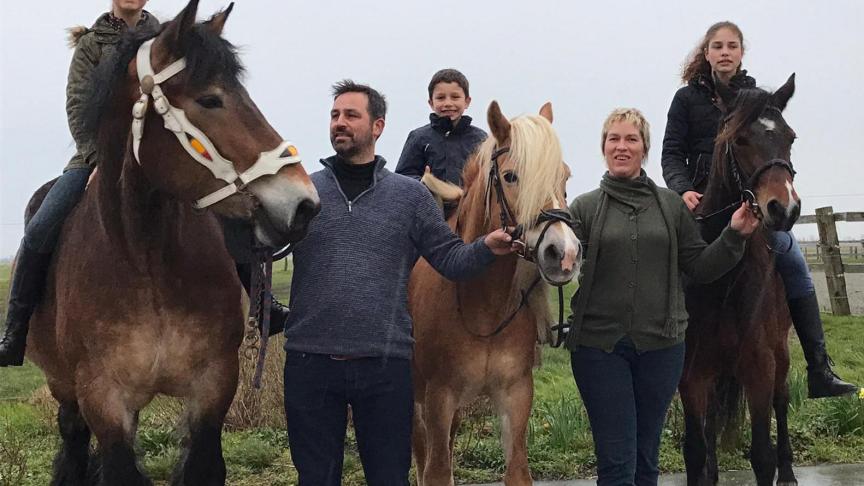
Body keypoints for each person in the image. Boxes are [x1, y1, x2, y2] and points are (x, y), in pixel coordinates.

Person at [281, 80, 516, 486]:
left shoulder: (409, 197)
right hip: (310, 361)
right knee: (316, 478)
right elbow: (264, 251)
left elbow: (450, 259)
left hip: (385, 364)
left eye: (351, 115)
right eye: (335, 115)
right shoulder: (304, 191)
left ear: (378, 126)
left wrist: (485, 247)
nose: (340, 123)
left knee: (390, 477)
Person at [660, 21, 857, 398]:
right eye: (717, 46)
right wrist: (683, 189)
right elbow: (672, 153)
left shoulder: (756, 98)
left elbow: (770, 147)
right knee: (669, 263)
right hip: (701, 204)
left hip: (751, 204)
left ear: (741, 53)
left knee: (794, 262)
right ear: (706, 54)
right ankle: (666, 359)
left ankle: (819, 366)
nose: (725, 52)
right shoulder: (686, 100)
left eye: (732, 46)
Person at [566, 108, 759, 486]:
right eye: (613, 139)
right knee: (617, 461)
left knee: (646, 458)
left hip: (662, 349)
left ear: (645, 149)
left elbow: (700, 266)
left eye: (631, 139)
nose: (621, 147)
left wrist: (733, 235)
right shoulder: (583, 208)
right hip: (598, 348)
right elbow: (558, 264)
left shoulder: (671, 205)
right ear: (603, 148)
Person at [0, 0, 160, 367]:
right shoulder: (91, 45)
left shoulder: (163, 38)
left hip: (159, 159)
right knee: (40, 228)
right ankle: (15, 333)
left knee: (223, 202)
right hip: (96, 159)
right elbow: (78, 109)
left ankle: (258, 305)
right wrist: (99, 160)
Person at [395, 69, 486, 216]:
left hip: (470, 213)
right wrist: (423, 183)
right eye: (441, 98)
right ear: (431, 103)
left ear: (467, 101)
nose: (448, 103)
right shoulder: (419, 137)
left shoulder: (480, 139)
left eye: (455, 97)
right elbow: (402, 176)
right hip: (429, 213)